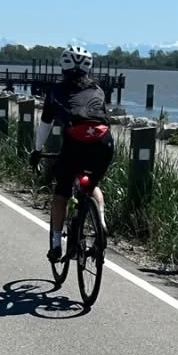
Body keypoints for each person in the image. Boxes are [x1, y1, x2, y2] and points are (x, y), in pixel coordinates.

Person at [29, 45, 114, 266]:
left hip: (76, 142)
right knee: (92, 183)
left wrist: (37, 150)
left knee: (62, 193)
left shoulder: (56, 91)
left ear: (63, 67)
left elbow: (45, 125)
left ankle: (56, 244)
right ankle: (101, 221)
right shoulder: (98, 89)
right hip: (103, 141)